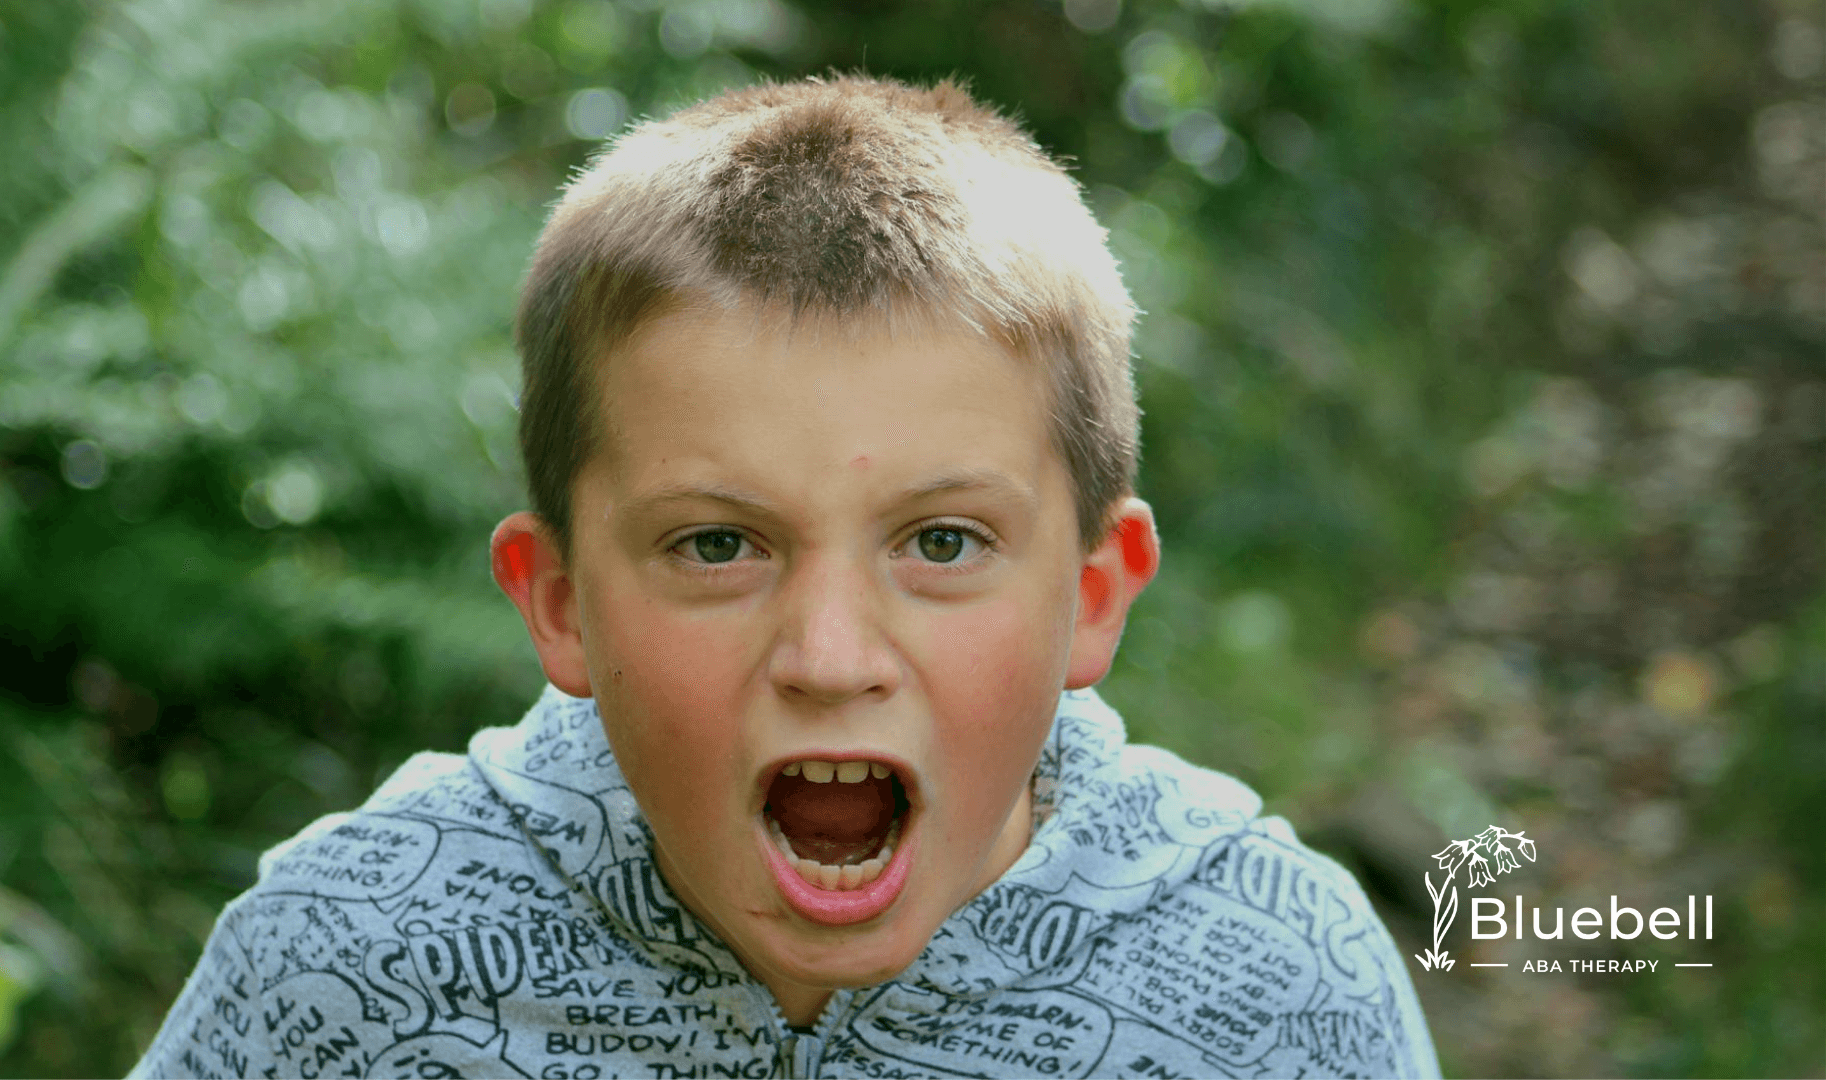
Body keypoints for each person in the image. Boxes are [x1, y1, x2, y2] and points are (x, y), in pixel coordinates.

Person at [132, 75, 1439, 1079]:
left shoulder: (1282, 985)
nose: (829, 658)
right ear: (561, 603)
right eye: (718, 545)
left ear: (1093, 596)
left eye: (942, 543)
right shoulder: (343, 968)